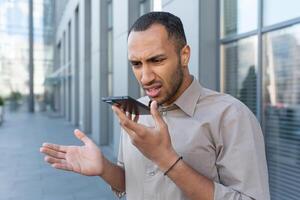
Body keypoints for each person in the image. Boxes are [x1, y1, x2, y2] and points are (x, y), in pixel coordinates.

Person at [40, 12, 270, 200]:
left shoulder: (231, 116)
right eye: (136, 64)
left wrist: (166, 160)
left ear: (184, 55)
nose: (145, 76)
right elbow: (133, 183)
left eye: (157, 60)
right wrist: (105, 169)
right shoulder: (135, 111)